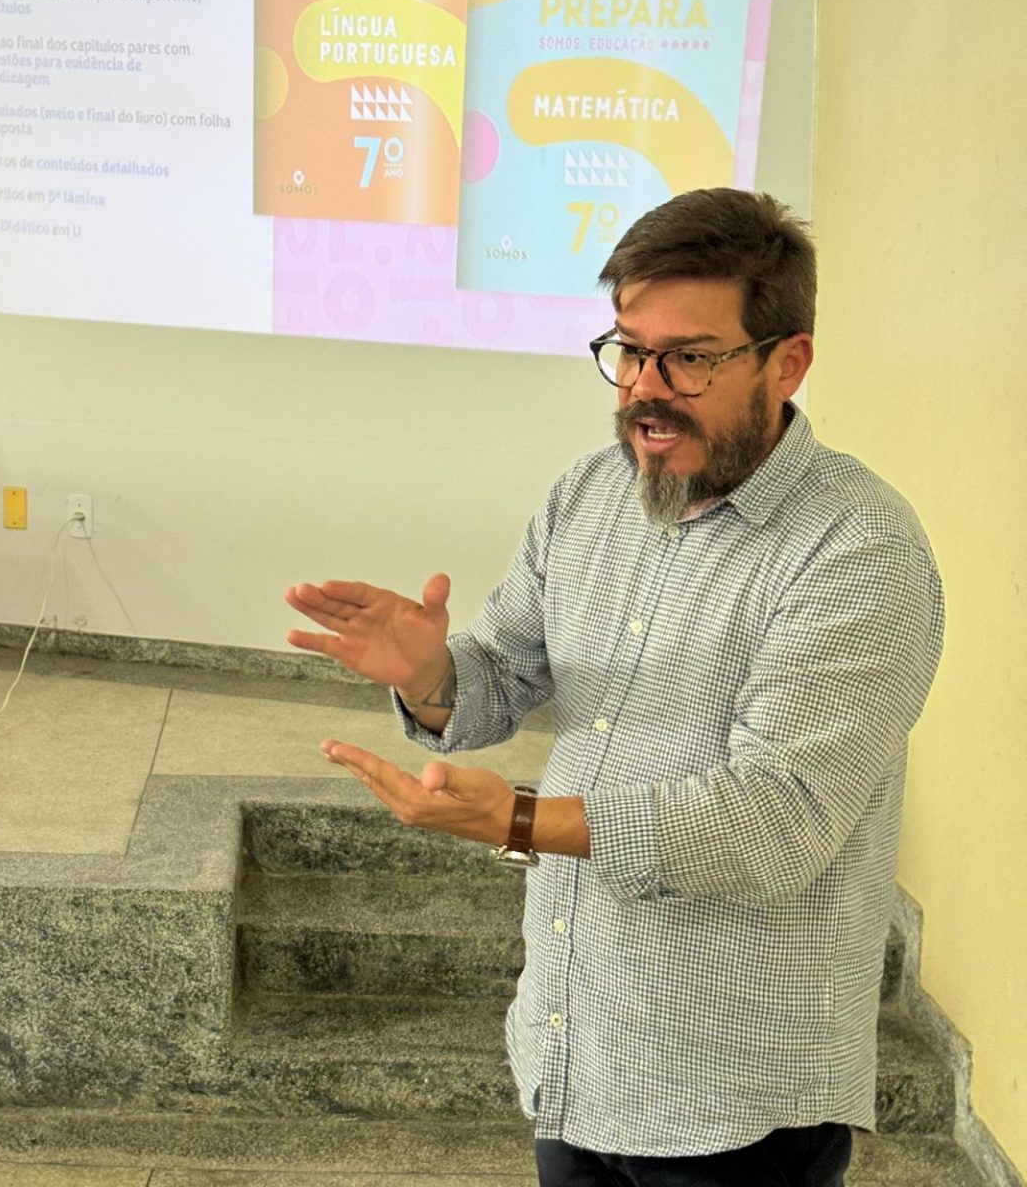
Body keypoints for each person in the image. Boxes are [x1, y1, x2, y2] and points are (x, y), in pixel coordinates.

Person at [285, 188, 943, 1187]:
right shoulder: (591, 492)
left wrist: (520, 820)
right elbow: (505, 673)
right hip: (578, 1050)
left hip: (735, 1100)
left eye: (690, 358)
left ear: (787, 362)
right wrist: (430, 674)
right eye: (630, 351)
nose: (646, 388)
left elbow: (774, 822)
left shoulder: (858, 551)